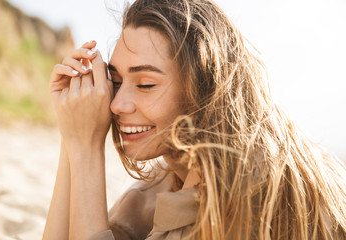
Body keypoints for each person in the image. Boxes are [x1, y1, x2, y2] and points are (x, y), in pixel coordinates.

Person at [43, 0, 346, 239]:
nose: (117, 104)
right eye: (116, 82)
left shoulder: (240, 187)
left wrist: (86, 149)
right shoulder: (168, 176)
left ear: (204, 88)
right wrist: (73, 136)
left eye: (146, 84)